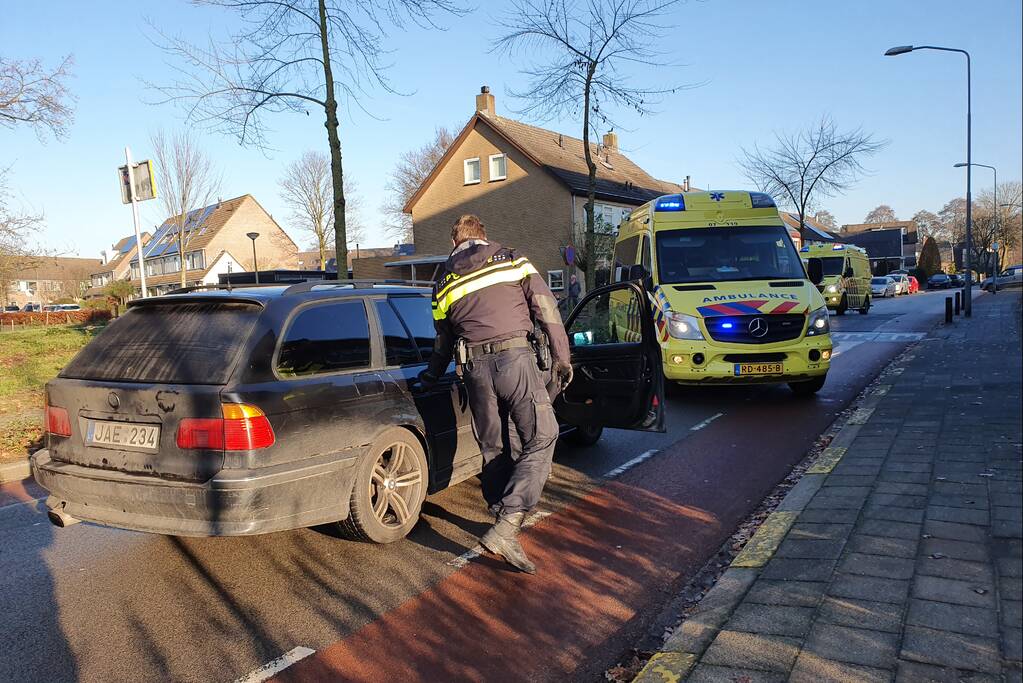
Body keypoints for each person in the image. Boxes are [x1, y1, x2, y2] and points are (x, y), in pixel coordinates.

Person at [419, 215, 572, 575]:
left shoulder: (441, 281)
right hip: (514, 360)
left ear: (454, 242)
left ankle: (502, 518)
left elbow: (442, 341)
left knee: (494, 447)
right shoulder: (510, 258)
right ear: (483, 237)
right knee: (543, 434)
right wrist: (562, 357)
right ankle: (507, 525)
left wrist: (429, 377)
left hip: (474, 370)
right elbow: (546, 308)